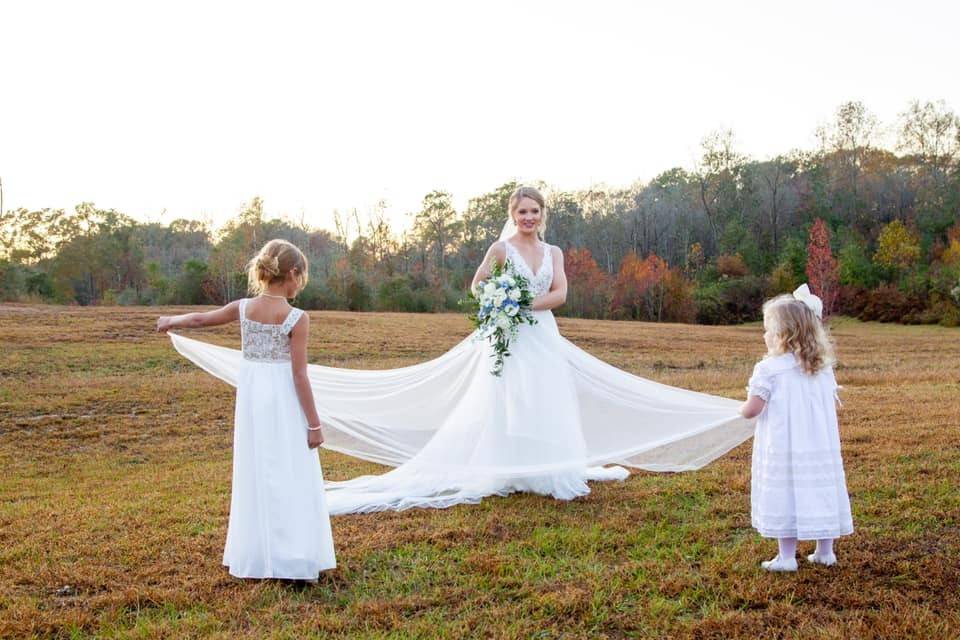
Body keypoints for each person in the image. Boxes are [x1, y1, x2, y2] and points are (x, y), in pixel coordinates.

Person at [168, 187, 755, 515]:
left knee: (547, 399)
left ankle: (551, 469)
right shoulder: (500, 249)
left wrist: (528, 308)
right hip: (505, 338)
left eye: (534, 213)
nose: (528, 219)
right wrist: (500, 303)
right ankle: (500, 467)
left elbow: (561, 295)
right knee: (503, 399)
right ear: (511, 216)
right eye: (521, 212)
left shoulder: (552, 252)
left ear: (543, 217)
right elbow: (475, 287)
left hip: (541, 335)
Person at [159, 239, 336, 579]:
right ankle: (292, 557)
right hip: (283, 401)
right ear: (293, 274)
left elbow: (199, 319)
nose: (301, 284)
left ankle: (260, 555)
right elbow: (299, 375)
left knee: (258, 470)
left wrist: (172, 319)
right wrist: (314, 424)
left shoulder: (243, 308)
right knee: (288, 472)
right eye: (303, 277)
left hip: (254, 401)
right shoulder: (297, 317)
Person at [740, 285, 853, 571]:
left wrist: (739, 410)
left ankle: (786, 557)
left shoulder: (769, 369)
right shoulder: (821, 367)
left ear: (783, 335)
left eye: (768, 330)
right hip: (818, 446)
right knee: (819, 489)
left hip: (785, 446)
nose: (764, 336)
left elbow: (753, 409)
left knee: (785, 493)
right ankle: (825, 552)